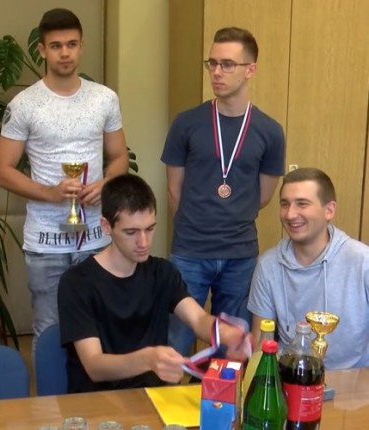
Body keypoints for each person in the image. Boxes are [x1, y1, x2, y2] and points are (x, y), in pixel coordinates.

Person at [0, 8, 128, 341]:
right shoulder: (24, 104)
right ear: (42, 50)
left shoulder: (104, 99)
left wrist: (105, 184)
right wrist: (51, 193)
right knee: (50, 331)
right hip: (46, 241)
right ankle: (51, 381)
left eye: (71, 44)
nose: (64, 53)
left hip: (96, 237)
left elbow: (119, 157)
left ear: (82, 46)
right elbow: (2, 171)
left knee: (99, 328)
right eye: (56, 46)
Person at [58, 174, 251, 393]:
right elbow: (94, 366)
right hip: (97, 401)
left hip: (154, 397)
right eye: (131, 232)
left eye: (150, 229)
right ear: (106, 226)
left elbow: (198, 319)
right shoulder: (77, 282)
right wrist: (148, 359)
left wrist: (225, 332)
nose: (143, 242)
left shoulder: (162, 272)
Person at [161, 27, 285, 356]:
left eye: (227, 64)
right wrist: (198, 226)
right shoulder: (186, 123)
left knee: (232, 347)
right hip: (190, 251)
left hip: (239, 254)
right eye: (212, 63)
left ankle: (220, 392)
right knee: (176, 342)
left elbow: (263, 196)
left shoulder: (270, 131)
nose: (216, 72)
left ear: (250, 69)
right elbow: (174, 190)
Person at [248, 167, 369, 369]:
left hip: (355, 380)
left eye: (302, 204)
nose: (290, 214)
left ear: (329, 210)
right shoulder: (268, 265)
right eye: (285, 204)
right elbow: (261, 342)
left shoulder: (363, 261)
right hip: (290, 377)